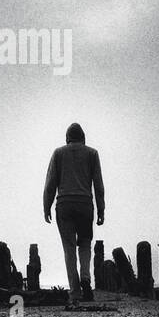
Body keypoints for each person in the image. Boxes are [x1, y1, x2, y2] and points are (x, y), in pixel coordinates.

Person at [42, 122, 105, 303]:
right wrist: (101, 209)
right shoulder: (92, 153)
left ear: (67, 138)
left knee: (69, 248)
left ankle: (75, 292)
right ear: (83, 138)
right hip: (85, 204)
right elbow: (98, 185)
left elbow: (50, 183)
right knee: (85, 244)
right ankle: (86, 276)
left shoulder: (58, 153)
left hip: (65, 205)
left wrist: (46, 207)